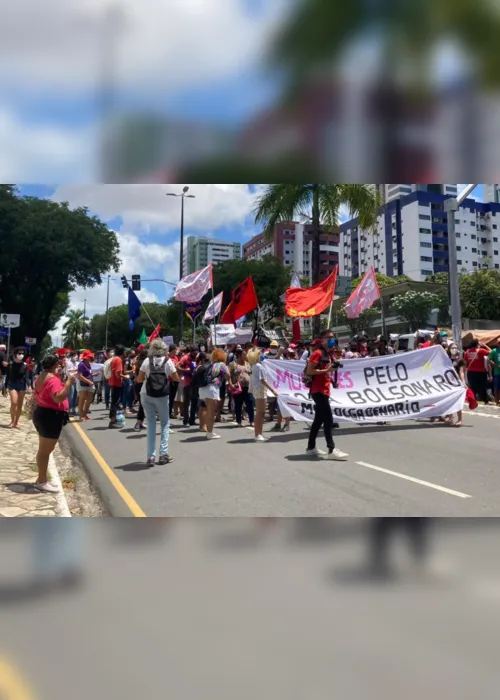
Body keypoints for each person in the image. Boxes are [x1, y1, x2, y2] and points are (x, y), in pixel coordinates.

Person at [32, 354, 75, 493]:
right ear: (55, 365)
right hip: (50, 416)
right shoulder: (52, 380)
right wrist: (69, 382)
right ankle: (42, 480)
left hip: (43, 414)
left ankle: (42, 478)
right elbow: (58, 398)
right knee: (45, 451)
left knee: (44, 450)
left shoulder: (41, 376)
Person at [306, 331, 349, 461]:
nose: (332, 340)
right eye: (329, 338)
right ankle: (331, 449)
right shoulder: (317, 353)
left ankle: (311, 448)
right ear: (322, 339)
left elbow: (326, 373)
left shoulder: (328, 355)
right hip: (318, 391)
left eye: (333, 337)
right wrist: (327, 370)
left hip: (324, 390)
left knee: (318, 421)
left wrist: (332, 381)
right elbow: (310, 371)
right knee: (328, 419)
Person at [136, 339, 179, 465]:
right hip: (162, 395)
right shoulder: (168, 361)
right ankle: (163, 454)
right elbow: (176, 378)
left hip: (146, 393)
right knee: (165, 423)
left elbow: (139, 379)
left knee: (151, 424)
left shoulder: (146, 361)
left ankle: (150, 457)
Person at [247, 347, 278, 443]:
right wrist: (272, 390)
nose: (261, 355)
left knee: (261, 413)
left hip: (258, 389)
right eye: (259, 354)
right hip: (260, 389)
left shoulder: (254, 366)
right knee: (261, 413)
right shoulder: (258, 366)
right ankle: (257, 434)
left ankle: (259, 433)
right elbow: (263, 380)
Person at [198, 349, 230, 440]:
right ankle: (210, 433)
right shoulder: (221, 365)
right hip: (212, 388)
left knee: (207, 409)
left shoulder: (210, 364)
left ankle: (208, 430)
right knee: (211, 412)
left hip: (203, 388)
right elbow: (228, 375)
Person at [228, 348, 254, 428]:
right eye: (244, 354)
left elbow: (252, 373)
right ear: (239, 355)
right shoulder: (233, 364)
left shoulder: (248, 364)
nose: (246, 356)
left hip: (248, 387)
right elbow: (227, 374)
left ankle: (251, 420)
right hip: (238, 388)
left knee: (250, 403)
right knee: (238, 405)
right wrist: (231, 384)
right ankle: (239, 421)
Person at [5, 347, 28, 429]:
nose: (21, 355)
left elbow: (27, 377)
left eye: (22, 354)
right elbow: (8, 376)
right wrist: (5, 387)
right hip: (12, 385)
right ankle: (12, 421)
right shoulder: (10, 364)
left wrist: (30, 386)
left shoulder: (25, 365)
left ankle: (16, 422)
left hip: (21, 385)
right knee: (14, 402)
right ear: (15, 354)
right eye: (19, 353)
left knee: (19, 405)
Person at [464, 339, 491, 405]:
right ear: (477, 344)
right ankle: (485, 401)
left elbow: (465, 363)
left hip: (470, 372)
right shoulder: (481, 350)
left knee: (472, 387)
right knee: (483, 386)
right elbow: (491, 352)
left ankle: (472, 400)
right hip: (481, 372)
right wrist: (485, 345)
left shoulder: (467, 352)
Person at [178, 346, 199, 427]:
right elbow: (177, 366)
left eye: (196, 352)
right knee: (187, 402)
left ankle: (192, 420)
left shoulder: (197, 358)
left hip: (195, 382)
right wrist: (185, 370)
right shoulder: (185, 358)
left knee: (195, 402)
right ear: (191, 352)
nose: (196, 354)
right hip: (188, 382)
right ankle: (185, 420)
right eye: (194, 352)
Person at [447, 343, 466, 427]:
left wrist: (463, 382)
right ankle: (450, 417)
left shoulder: (460, 360)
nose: (454, 349)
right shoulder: (446, 359)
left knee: (458, 402)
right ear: (449, 349)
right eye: (452, 348)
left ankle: (460, 419)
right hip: (447, 383)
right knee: (449, 401)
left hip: (457, 383)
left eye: (455, 348)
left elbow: (461, 372)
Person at [108, 344, 126, 429]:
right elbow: (118, 374)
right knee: (115, 403)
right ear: (122, 352)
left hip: (113, 383)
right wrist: (125, 376)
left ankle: (114, 420)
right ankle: (113, 421)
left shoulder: (114, 359)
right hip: (116, 383)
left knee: (114, 403)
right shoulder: (118, 360)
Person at [133, 348, 148, 432]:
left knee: (142, 404)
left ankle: (140, 422)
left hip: (138, 384)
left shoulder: (138, 362)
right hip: (142, 384)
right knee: (143, 405)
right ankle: (138, 422)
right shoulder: (145, 363)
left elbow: (136, 375)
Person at [77, 350, 95, 422]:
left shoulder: (89, 364)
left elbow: (88, 374)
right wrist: (88, 381)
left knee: (89, 400)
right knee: (82, 400)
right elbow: (80, 376)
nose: (91, 357)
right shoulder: (81, 364)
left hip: (90, 383)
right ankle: (81, 416)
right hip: (83, 384)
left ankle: (85, 414)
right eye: (89, 356)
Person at [65, 351, 79, 416]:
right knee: (71, 396)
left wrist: (74, 371)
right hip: (71, 381)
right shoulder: (68, 363)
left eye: (76, 356)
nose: (76, 357)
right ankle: (68, 410)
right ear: (71, 356)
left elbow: (79, 371)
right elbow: (68, 372)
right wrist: (76, 371)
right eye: (74, 356)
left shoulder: (78, 363)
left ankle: (73, 409)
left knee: (75, 396)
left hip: (77, 381)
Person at [168, 344, 180, 419]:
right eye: (176, 349)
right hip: (168, 380)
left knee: (172, 397)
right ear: (172, 349)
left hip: (175, 379)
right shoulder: (167, 358)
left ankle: (170, 412)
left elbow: (177, 368)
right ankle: (167, 412)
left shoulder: (176, 357)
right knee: (168, 397)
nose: (177, 351)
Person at [487, 337, 500, 406]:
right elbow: (488, 359)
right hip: (497, 372)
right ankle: (496, 401)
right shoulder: (494, 351)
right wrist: (495, 365)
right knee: (496, 387)